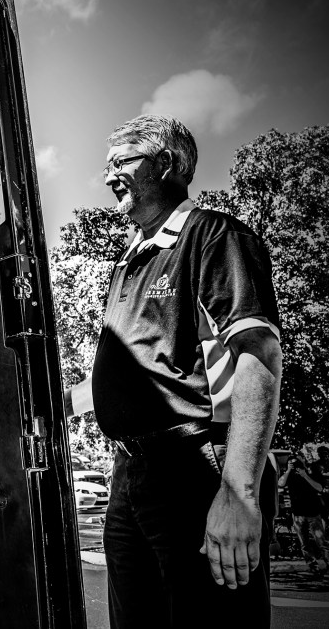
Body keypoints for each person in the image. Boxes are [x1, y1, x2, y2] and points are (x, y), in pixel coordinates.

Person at [65, 114, 282, 627]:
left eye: (121, 160)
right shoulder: (128, 263)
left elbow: (259, 355)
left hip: (196, 467)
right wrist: (35, 407)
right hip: (130, 475)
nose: (107, 173)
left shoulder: (212, 235)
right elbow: (130, 378)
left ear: (164, 164)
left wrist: (238, 493)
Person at [278, 455, 329, 574]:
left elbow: (320, 488)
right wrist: (288, 470)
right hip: (298, 514)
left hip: (313, 513)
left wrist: (305, 475)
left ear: (303, 461)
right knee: (304, 543)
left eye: (297, 463)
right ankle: (312, 564)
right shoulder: (290, 475)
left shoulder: (312, 472)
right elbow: (281, 483)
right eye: (292, 463)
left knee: (320, 541)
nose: (295, 466)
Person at [309, 445, 329, 538]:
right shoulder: (315, 465)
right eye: (322, 453)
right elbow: (313, 479)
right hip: (321, 494)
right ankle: (325, 535)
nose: (325, 455)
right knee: (324, 516)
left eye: (326, 453)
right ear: (319, 454)